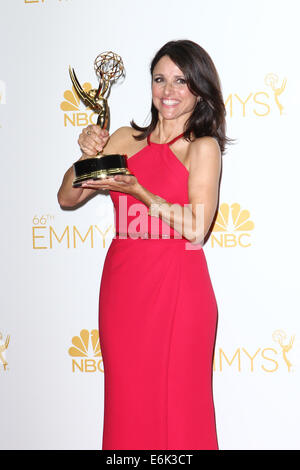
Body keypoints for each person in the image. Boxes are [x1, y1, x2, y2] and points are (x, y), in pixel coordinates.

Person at [58, 39, 230, 450]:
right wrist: (85, 155)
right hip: (124, 287)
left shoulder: (201, 147)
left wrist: (140, 191)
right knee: (127, 401)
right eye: (160, 79)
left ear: (199, 89)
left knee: (180, 404)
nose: (168, 91)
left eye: (180, 81)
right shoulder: (123, 138)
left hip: (178, 289)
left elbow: (197, 226)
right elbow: (67, 197)